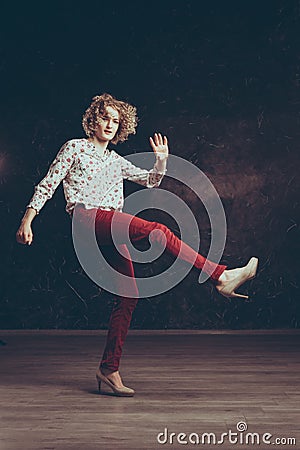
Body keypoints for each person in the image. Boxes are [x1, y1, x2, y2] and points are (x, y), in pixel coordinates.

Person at [16, 93, 258, 397]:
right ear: (92, 119)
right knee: (158, 229)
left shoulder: (116, 161)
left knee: (129, 295)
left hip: (110, 227)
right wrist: (28, 219)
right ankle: (219, 275)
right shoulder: (74, 147)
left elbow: (151, 181)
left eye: (115, 121)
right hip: (87, 219)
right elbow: (48, 183)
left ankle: (108, 369)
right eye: (104, 117)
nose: (109, 124)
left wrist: (161, 160)